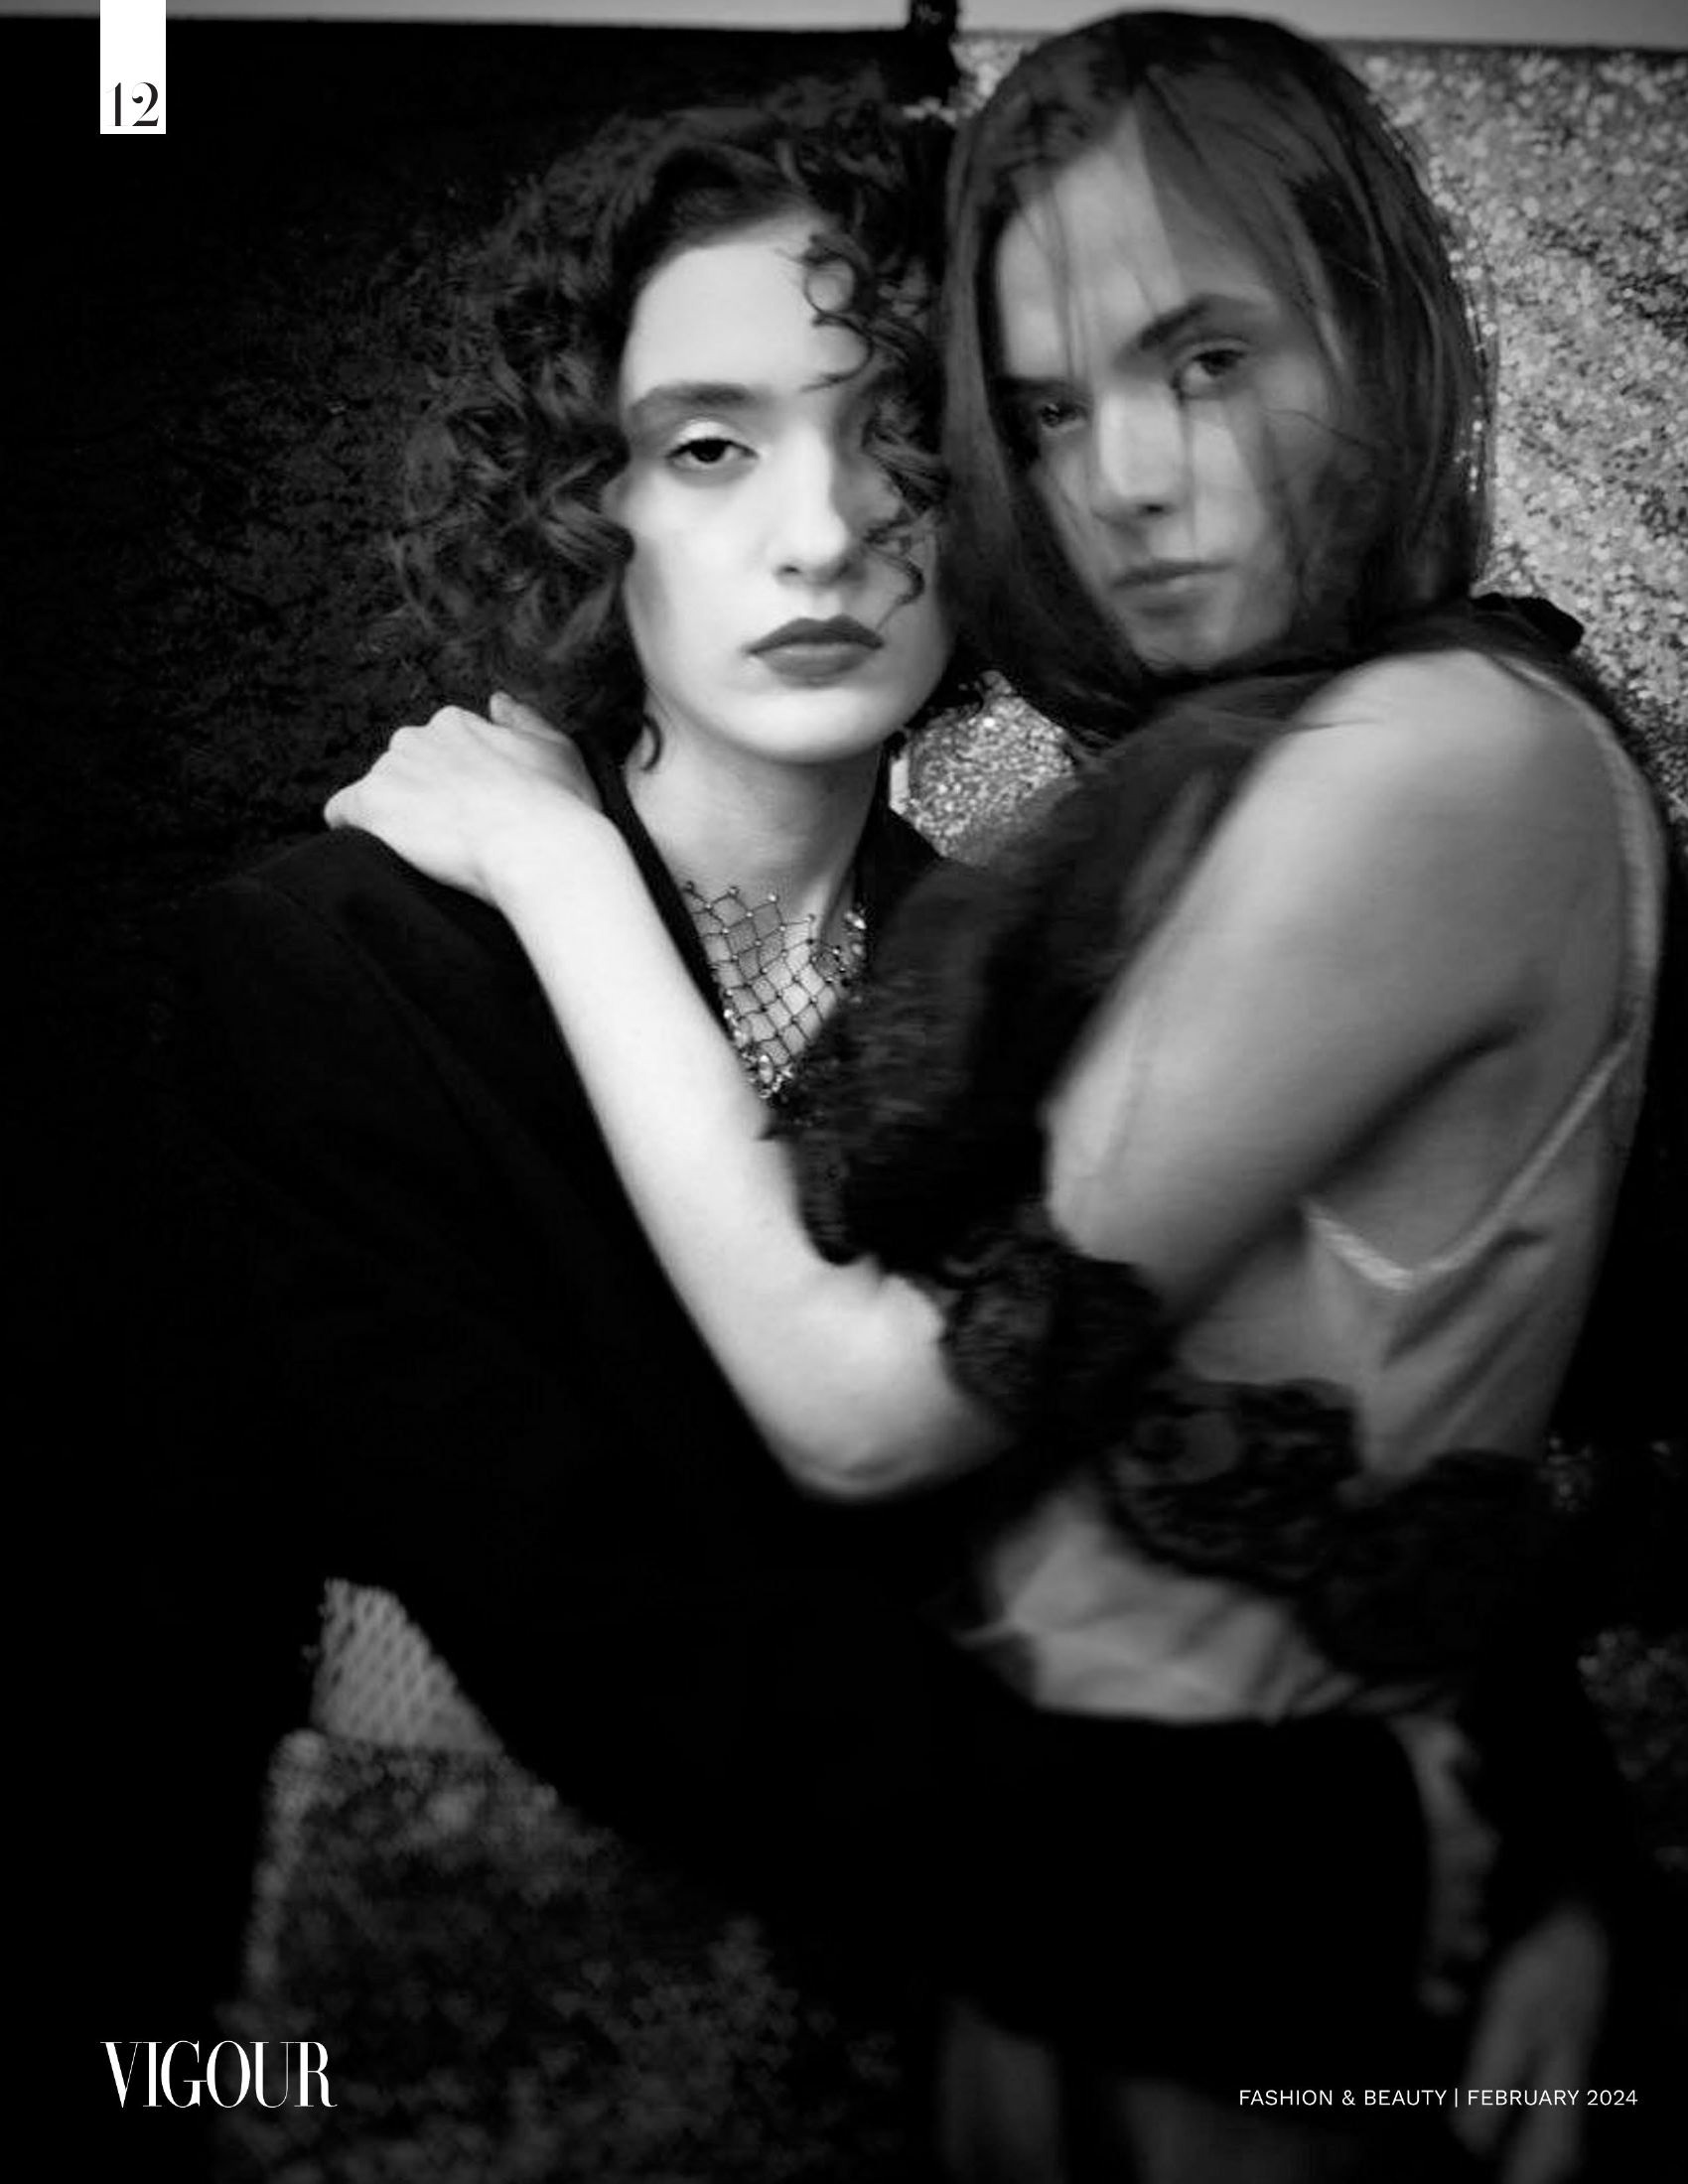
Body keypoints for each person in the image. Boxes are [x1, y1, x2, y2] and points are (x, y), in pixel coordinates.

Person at [327, 16, 1683, 2181]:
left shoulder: (1055, 927)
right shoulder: (350, 967)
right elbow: (606, 1638)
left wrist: (1503, 1825)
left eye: (899, 434)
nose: (826, 528)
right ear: (584, 496)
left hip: (1171, 1990)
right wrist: (1402, 1845)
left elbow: (1325, 1420)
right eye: (710, 445)